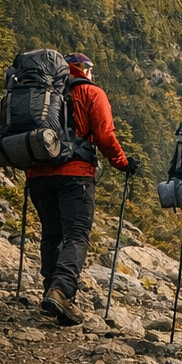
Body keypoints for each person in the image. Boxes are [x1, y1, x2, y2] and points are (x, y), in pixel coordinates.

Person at [27, 52, 140, 325]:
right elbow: (104, 135)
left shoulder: (41, 94)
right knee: (76, 235)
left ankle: (52, 293)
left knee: (51, 234)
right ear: (84, 70)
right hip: (75, 175)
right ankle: (62, 291)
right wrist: (123, 163)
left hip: (36, 174)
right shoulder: (91, 92)